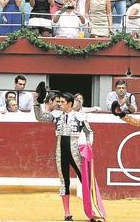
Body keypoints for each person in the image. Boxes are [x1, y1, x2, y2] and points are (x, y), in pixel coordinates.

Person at [34, 89, 106, 222]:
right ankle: (67, 214)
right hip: (60, 151)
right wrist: (36, 103)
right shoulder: (56, 115)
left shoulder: (80, 116)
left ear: (70, 104)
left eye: (62, 102)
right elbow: (40, 117)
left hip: (76, 151)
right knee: (64, 182)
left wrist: (88, 146)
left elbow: (89, 132)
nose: (59, 104)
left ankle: (92, 212)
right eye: (59, 102)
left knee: (86, 180)